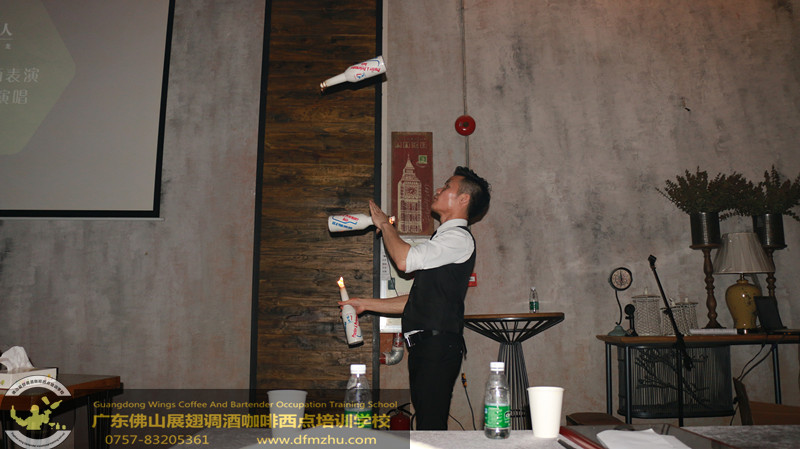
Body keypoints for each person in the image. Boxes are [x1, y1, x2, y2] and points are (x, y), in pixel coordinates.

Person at [340, 166, 490, 430]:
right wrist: (365, 304)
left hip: (438, 345)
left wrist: (385, 224)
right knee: (427, 425)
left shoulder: (458, 238)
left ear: (464, 199)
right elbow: (419, 299)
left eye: (447, 186)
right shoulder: (443, 240)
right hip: (426, 346)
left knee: (430, 427)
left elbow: (403, 260)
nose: (439, 190)